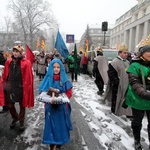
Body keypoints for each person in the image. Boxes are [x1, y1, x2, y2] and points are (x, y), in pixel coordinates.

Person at [38, 58, 73, 150]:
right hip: (50, 108)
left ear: (61, 68)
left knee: (60, 125)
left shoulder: (64, 80)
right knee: (51, 126)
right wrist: (46, 97)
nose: (56, 69)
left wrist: (62, 98)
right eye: (54, 67)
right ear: (51, 68)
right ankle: (51, 143)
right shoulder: (48, 79)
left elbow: (69, 93)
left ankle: (59, 141)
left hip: (61, 108)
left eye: (58, 67)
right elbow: (42, 91)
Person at [2, 45, 34, 131]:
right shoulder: (9, 62)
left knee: (22, 105)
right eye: (14, 51)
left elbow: (29, 76)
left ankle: (21, 120)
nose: (15, 53)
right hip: (10, 87)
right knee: (9, 104)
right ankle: (15, 117)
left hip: (21, 87)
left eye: (17, 51)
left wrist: (27, 87)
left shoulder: (26, 63)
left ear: (21, 53)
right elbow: (5, 74)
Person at [125, 43, 150, 150]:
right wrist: (144, 93)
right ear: (142, 54)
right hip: (138, 99)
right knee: (137, 122)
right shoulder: (134, 66)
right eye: (148, 51)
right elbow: (134, 83)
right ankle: (137, 140)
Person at [104, 45, 132, 117]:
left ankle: (125, 111)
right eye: (124, 53)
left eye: (127, 53)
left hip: (127, 84)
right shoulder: (114, 62)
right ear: (120, 53)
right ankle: (114, 111)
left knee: (126, 98)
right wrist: (117, 82)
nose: (126, 54)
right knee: (116, 98)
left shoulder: (127, 62)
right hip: (118, 85)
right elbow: (111, 74)